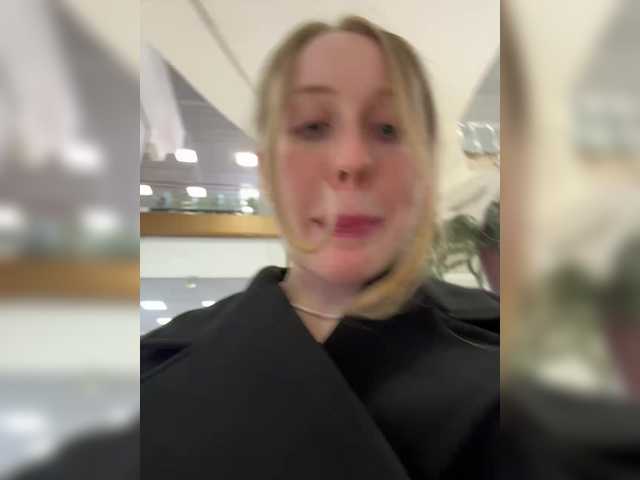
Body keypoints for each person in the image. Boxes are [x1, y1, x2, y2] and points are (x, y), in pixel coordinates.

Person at [141, 16, 499, 480]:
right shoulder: (153, 378)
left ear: (425, 170)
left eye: (388, 130)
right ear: (266, 170)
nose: (351, 160)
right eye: (312, 127)